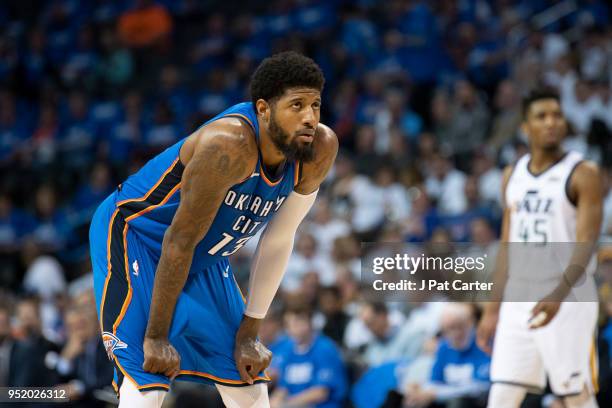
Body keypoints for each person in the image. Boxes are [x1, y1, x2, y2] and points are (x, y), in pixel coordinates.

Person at [89, 51, 338, 407]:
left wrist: (250, 331)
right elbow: (178, 239)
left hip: (202, 254)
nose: (310, 118)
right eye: (296, 105)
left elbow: (280, 238)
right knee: (149, 379)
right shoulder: (230, 143)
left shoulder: (319, 149)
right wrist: (157, 335)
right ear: (264, 109)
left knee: (249, 382)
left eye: (315, 105)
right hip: (137, 237)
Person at [477, 88, 603, 408]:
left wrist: (558, 295)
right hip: (518, 298)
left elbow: (587, 243)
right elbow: (508, 246)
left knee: (576, 397)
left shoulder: (583, 173)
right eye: (541, 116)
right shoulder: (513, 174)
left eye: (557, 115)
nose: (551, 123)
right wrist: (492, 309)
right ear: (525, 127)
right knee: (502, 397)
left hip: (567, 297)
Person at [270, 304, 348, 408]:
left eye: (297, 323)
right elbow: (283, 388)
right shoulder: (288, 349)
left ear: (310, 323)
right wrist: (272, 403)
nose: (292, 329)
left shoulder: (325, 348)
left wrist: (286, 405)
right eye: (289, 324)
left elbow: (321, 393)